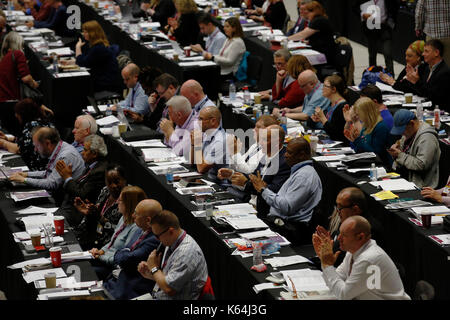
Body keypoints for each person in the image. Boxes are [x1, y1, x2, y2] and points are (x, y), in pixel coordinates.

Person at [313, 216, 410, 300]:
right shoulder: (354, 251)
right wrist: (324, 259)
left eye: (344, 235)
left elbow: (343, 295)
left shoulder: (368, 259)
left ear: (360, 237)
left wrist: (327, 265)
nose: (338, 238)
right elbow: (337, 279)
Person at [250, 137, 322, 244]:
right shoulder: (300, 172)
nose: (285, 155)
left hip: (288, 230)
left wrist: (263, 190)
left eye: (289, 152)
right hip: (280, 223)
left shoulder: (303, 177)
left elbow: (286, 207)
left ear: (301, 155)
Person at [137, 210, 208, 300]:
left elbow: (169, 288)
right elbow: (169, 279)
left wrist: (154, 268)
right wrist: (150, 273)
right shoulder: (172, 241)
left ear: (171, 231)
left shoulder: (186, 254)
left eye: (158, 236)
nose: (157, 240)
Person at [103, 199, 162, 300]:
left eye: (136, 213)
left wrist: (123, 253)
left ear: (148, 220)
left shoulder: (154, 240)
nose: (133, 215)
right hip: (115, 279)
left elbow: (126, 259)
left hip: (128, 288)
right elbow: (124, 251)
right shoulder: (139, 229)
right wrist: (123, 252)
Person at [228, 125, 291, 217]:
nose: (260, 143)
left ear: (276, 143)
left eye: (265, 140)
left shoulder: (284, 162)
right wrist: (232, 174)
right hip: (253, 203)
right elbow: (254, 177)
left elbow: (272, 191)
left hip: (265, 212)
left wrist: (246, 183)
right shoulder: (266, 155)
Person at [89, 186, 146, 280]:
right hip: (104, 259)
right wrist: (100, 251)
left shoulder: (137, 228)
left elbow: (123, 258)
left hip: (113, 268)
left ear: (129, 204)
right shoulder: (124, 218)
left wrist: (100, 256)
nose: (117, 202)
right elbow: (112, 243)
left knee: (85, 271)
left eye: (120, 200)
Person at [55, 135, 109, 228]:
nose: (82, 153)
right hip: (69, 206)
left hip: (78, 213)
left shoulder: (99, 171)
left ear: (94, 154)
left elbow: (82, 194)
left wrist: (67, 177)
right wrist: (68, 177)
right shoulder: (92, 166)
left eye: (85, 150)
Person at [9, 127, 85, 192]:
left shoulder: (65, 156)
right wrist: (26, 174)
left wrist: (24, 180)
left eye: (37, 146)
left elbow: (51, 184)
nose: (35, 150)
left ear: (48, 143)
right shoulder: (61, 146)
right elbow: (49, 173)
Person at [74, 164, 128, 250]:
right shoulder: (105, 191)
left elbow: (122, 232)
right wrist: (88, 213)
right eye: (109, 182)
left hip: (108, 247)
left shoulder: (129, 197)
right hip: (93, 238)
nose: (113, 186)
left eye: (117, 181)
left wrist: (101, 219)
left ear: (125, 180)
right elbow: (94, 219)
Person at [388, 109, 440, 188]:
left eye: (403, 130)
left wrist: (399, 155)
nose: (402, 133)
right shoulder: (410, 133)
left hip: (421, 185)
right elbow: (404, 153)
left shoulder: (427, 138)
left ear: (412, 123)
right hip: (406, 178)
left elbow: (421, 165)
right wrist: (396, 151)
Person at [0, 98, 54, 171]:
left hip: (41, 170)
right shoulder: (43, 123)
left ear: (23, 114)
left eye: (17, 113)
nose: (16, 115)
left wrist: (3, 143)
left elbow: (19, 149)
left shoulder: (32, 127)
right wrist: (7, 138)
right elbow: (28, 142)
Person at [344, 97, 393, 167]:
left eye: (359, 114)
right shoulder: (366, 125)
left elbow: (375, 153)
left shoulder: (381, 127)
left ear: (366, 113)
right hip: (367, 163)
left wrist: (357, 140)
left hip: (380, 166)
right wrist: (354, 140)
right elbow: (360, 150)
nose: (358, 117)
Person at [75, 21, 121, 94]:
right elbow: (85, 59)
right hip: (103, 81)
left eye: (85, 32)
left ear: (92, 33)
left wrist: (78, 47)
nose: (83, 34)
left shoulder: (98, 48)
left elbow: (81, 63)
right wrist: (71, 61)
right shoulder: (97, 45)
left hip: (105, 84)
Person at [288, 1, 338, 68]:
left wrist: (286, 39)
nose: (302, 12)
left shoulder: (318, 20)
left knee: (297, 60)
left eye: (305, 10)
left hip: (324, 56)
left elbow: (302, 35)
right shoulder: (318, 19)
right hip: (320, 51)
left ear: (311, 11)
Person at [355, 0, 399, 76]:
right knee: (372, 54)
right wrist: (362, 14)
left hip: (384, 27)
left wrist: (391, 20)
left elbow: (395, 7)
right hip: (371, 27)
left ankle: (391, 76)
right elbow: (355, 7)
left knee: (387, 53)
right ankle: (372, 76)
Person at [407, 39, 450, 112]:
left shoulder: (444, 72)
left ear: (436, 52)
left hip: (439, 112)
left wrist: (416, 82)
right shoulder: (426, 68)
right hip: (426, 107)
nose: (423, 54)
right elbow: (421, 91)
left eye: (426, 51)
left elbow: (432, 96)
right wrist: (412, 81)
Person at [203, 17, 246, 84]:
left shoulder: (237, 42)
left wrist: (213, 57)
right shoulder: (228, 39)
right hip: (221, 69)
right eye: (224, 26)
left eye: (227, 26)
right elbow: (220, 55)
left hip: (229, 74)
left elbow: (229, 61)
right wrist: (211, 56)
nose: (224, 28)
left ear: (234, 28)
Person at [0, 32, 39, 102]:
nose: (23, 48)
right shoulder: (18, 53)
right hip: (11, 99)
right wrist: (34, 83)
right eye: (22, 45)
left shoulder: (4, 58)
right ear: (17, 44)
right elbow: (26, 78)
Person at [190, 106, 228, 178]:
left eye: (201, 119)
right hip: (205, 178)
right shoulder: (207, 134)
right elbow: (192, 163)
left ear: (213, 121)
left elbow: (201, 169)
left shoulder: (221, 141)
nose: (198, 122)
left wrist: (197, 144)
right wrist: (193, 144)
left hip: (218, 184)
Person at [311, 74, 348, 142]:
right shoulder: (332, 103)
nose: (322, 88)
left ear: (333, 89)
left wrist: (322, 117)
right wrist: (320, 119)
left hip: (339, 143)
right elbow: (331, 123)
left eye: (325, 86)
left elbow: (335, 133)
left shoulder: (342, 107)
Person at [415, 0, 450, 65]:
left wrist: (418, 27)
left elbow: (419, 13)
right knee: (448, 64)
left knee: (432, 66)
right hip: (448, 34)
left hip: (431, 35)